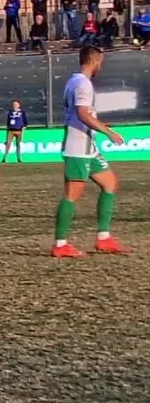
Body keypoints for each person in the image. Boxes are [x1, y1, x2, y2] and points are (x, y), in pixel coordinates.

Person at [52, 46, 128, 257]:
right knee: (72, 194)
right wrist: (108, 131)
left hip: (87, 145)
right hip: (78, 145)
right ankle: (60, 244)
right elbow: (83, 114)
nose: (100, 67)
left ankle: (103, 238)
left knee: (109, 183)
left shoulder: (73, 80)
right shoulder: (83, 84)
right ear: (94, 62)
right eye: (100, 63)